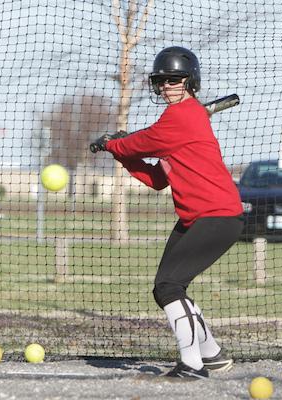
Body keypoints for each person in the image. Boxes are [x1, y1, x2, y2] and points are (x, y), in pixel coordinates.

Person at [91, 46, 244, 379]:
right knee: (167, 287)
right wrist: (120, 152)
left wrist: (113, 144)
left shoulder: (182, 116)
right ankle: (212, 354)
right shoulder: (179, 123)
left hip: (217, 216)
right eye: (161, 81)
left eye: (174, 80)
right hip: (197, 217)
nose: (166, 86)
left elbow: (138, 143)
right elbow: (157, 178)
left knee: (169, 287)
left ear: (190, 82)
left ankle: (192, 365)